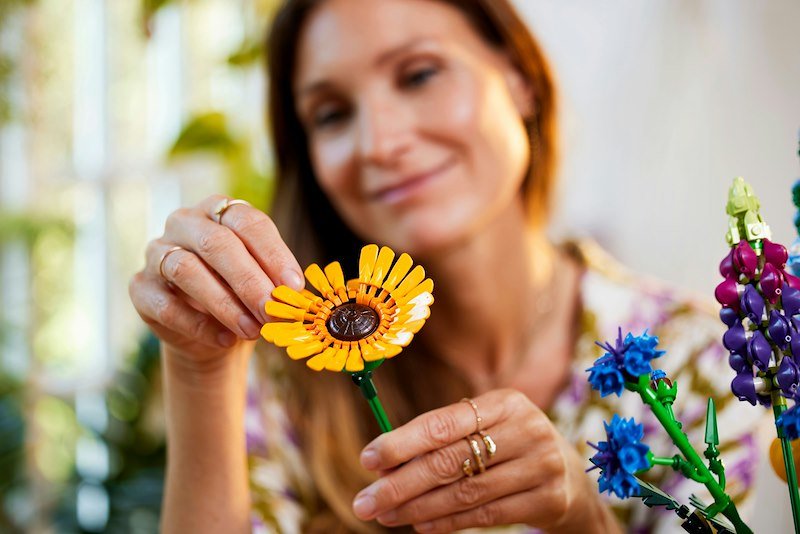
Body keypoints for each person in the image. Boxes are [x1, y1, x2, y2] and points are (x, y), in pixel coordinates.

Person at [128, 0, 762, 532]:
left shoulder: (704, 362)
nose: (380, 143)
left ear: (520, 77)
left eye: (419, 74)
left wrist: (584, 521)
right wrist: (199, 368)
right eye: (332, 114)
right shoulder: (289, 380)